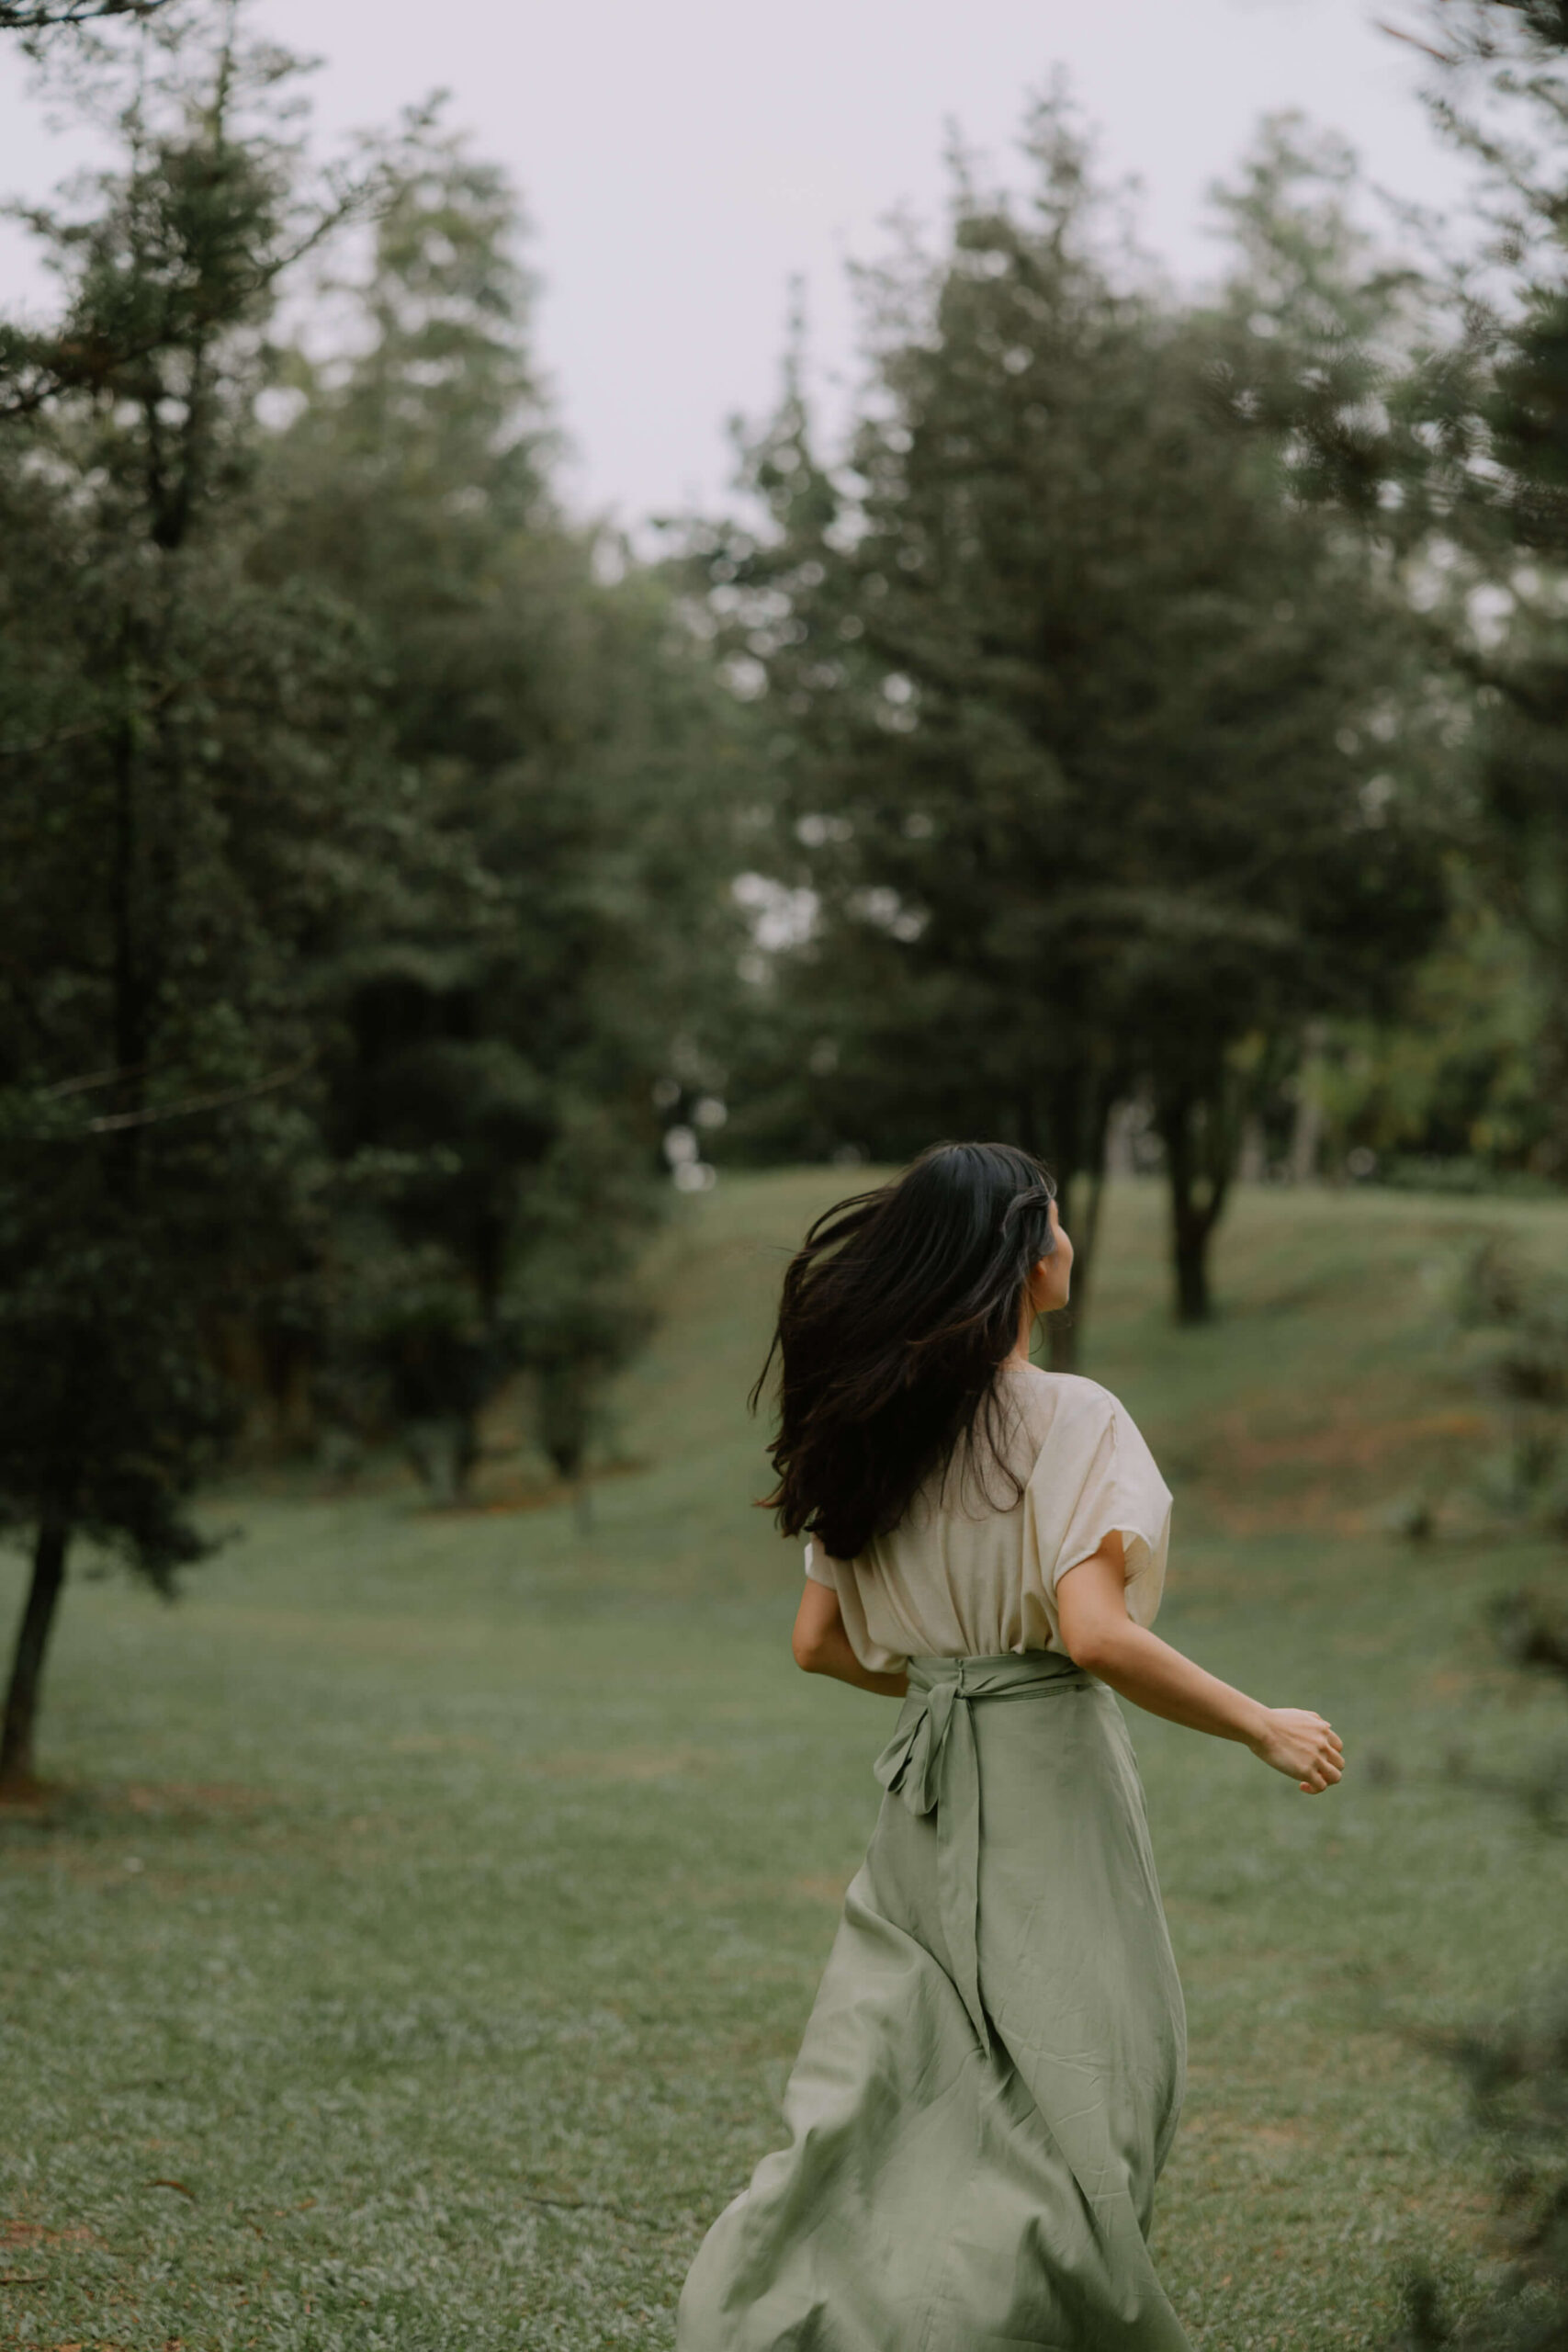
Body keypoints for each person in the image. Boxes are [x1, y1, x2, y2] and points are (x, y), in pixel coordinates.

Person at [675, 1140, 1344, 2352]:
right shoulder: (1071, 1416)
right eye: (1058, 1223)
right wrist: (1259, 1722)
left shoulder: (867, 1427)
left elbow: (819, 1645)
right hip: (1049, 1781)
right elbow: (1092, 1636)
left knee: (898, 2079)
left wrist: (949, 1679)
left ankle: (809, 2301)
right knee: (1093, 2074)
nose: (1069, 1244)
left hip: (922, 1793)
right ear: (1029, 1248)